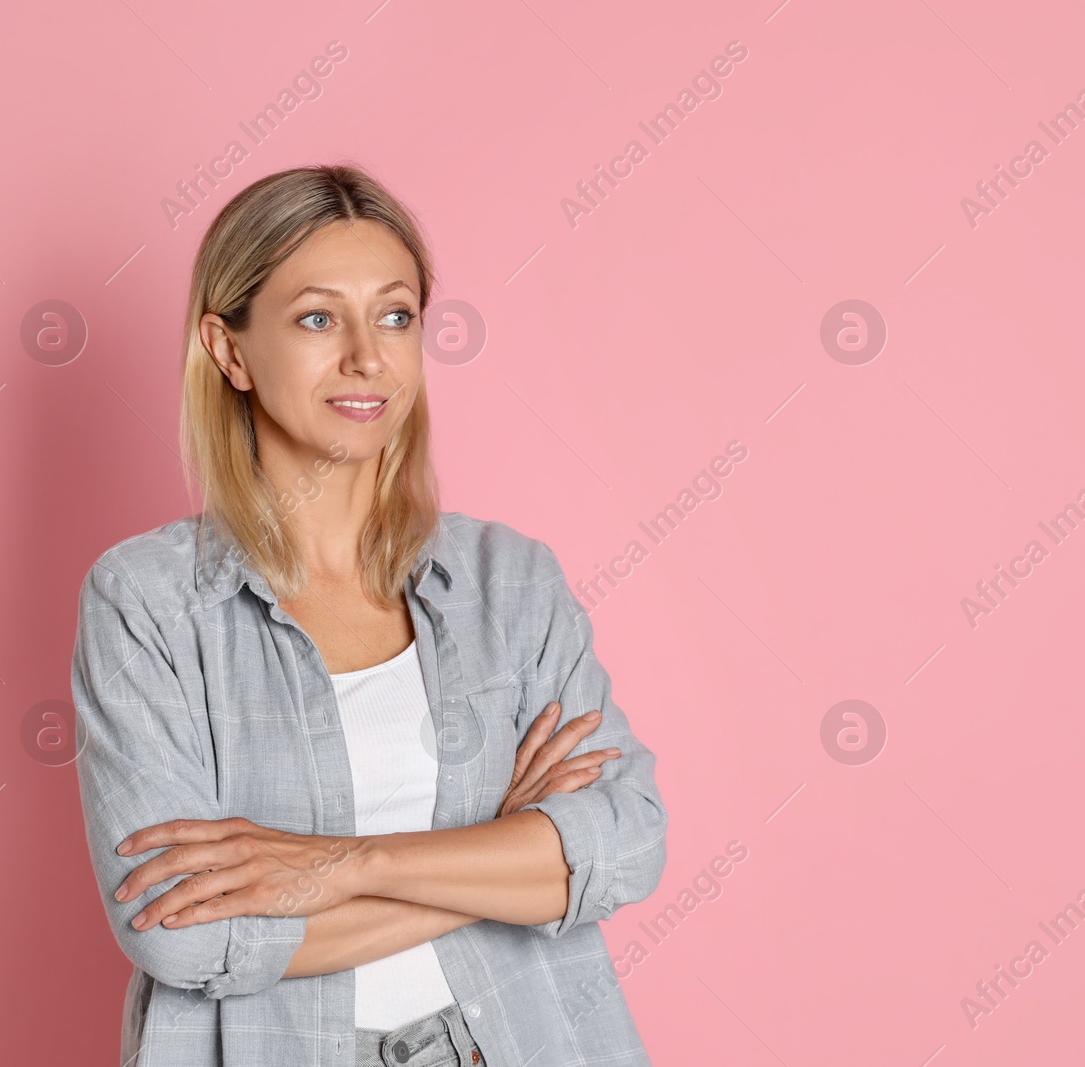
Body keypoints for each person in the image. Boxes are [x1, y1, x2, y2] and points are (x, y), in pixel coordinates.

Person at [69, 163, 668, 1066]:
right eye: (318, 317)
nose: (368, 356)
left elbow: (625, 844)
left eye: (395, 315)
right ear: (228, 350)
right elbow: (185, 938)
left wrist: (344, 864)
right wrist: (506, 861)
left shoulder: (509, 581)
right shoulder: (147, 602)